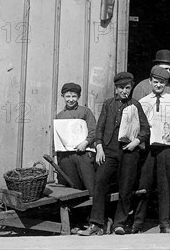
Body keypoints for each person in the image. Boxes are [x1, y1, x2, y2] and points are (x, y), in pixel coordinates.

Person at [81, 72, 150, 236]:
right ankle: (96, 223)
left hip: (129, 152)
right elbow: (100, 128)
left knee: (126, 187)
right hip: (109, 151)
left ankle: (120, 223)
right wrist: (98, 146)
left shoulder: (135, 105)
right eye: (121, 88)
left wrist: (136, 141)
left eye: (127, 88)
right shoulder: (108, 105)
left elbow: (145, 129)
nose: (124, 91)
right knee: (100, 181)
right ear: (115, 88)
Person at [133, 65, 170, 233]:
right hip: (147, 148)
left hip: (167, 148)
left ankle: (165, 223)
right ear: (150, 81)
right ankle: (138, 222)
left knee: (166, 185)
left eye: (162, 83)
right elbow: (135, 125)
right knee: (144, 185)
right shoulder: (143, 102)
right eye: (155, 82)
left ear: (166, 83)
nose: (158, 85)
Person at [54, 82, 97, 231]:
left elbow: (93, 131)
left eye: (74, 96)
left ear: (78, 97)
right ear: (63, 97)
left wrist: (85, 143)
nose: (71, 99)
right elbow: (58, 138)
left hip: (83, 155)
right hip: (67, 158)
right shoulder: (59, 116)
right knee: (74, 189)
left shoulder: (85, 112)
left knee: (90, 186)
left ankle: (94, 222)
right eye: (68, 96)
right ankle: (78, 222)